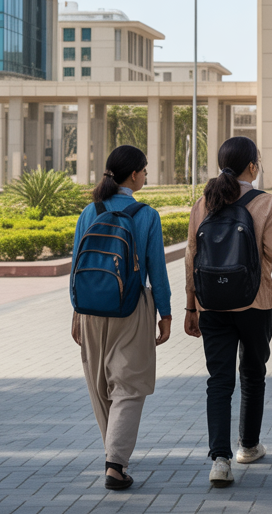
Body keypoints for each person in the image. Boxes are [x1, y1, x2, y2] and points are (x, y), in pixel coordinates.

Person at [183, 136, 272, 488]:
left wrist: (190, 304)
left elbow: (191, 256)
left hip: (211, 304)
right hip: (255, 302)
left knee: (219, 380)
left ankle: (220, 460)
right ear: (252, 167)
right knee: (253, 374)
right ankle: (248, 446)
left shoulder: (204, 202)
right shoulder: (265, 202)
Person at [71, 145, 172, 491]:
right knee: (128, 385)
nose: (146, 176)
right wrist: (165, 313)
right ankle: (115, 463)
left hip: (90, 310)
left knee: (99, 383)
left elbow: (77, 265)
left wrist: (76, 312)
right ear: (133, 175)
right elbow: (157, 271)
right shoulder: (146, 215)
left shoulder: (90, 211)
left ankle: (114, 452)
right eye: (144, 171)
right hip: (132, 308)